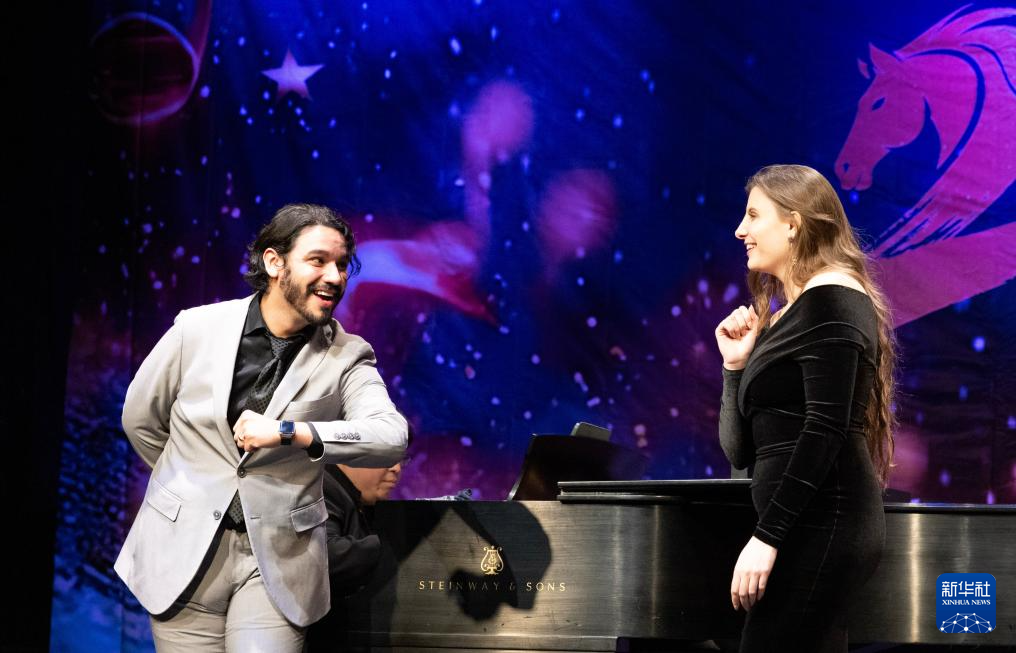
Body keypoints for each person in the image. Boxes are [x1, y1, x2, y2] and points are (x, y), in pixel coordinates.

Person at [115, 204, 408, 652]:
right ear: (274, 263)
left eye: (342, 265)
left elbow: (390, 437)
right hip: (185, 550)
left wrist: (294, 432)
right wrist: (193, 484)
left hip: (278, 560)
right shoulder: (197, 329)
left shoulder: (348, 355)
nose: (334, 277)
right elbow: (140, 420)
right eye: (318, 260)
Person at [715, 165, 895, 652]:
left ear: (793, 224)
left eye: (754, 215)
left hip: (824, 524)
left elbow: (825, 429)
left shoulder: (834, 299)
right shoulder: (787, 317)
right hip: (802, 526)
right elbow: (740, 451)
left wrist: (766, 537)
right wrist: (735, 367)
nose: (740, 230)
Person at [306, 451, 408, 651]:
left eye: (402, 460)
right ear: (350, 454)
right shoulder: (323, 487)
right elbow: (324, 557)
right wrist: (387, 543)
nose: (397, 468)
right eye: (387, 457)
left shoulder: (354, 497)